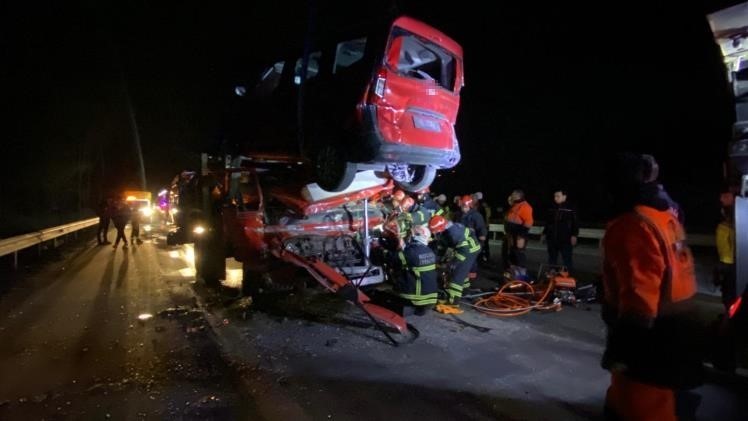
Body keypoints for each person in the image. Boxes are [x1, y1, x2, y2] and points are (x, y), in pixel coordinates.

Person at [601, 152, 704, 420]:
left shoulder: (631, 224)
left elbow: (640, 292)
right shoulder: (663, 215)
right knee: (669, 403)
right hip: (680, 328)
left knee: (640, 407)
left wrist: (623, 347)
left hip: (652, 340)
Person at [428, 215, 481, 309]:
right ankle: (465, 291)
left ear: (441, 228)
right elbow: (446, 246)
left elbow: (464, 250)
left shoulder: (454, 233)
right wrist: (444, 259)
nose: (434, 233)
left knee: (456, 275)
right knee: (462, 272)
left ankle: (453, 302)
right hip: (467, 248)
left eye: (435, 231)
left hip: (469, 250)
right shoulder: (447, 229)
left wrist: (453, 263)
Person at [392, 225, 439, 314]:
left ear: (415, 236)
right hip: (431, 296)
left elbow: (393, 259)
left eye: (410, 234)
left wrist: (380, 249)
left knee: (402, 271)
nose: (409, 236)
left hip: (416, 297)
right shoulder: (430, 251)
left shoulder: (410, 252)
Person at [541, 189, 579, 271]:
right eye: (554, 196)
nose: (555, 198)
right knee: (552, 258)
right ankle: (552, 274)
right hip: (552, 238)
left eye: (558, 196)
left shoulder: (571, 208)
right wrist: (544, 233)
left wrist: (574, 235)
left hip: (565, 238)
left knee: (567, 259)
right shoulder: (552, 208)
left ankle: (567, 275)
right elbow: (548, 223)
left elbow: (575, 223)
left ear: (564, 197)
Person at [714, 190, 736, 310]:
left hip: (727, 263)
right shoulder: (735, 226)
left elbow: (723, 250)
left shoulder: (723, 227)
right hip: (734, 263)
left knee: (728, 295)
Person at [503, 189, 533, 270]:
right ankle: (514, 270)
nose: (511, 196)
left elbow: (528, 222)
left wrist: (521, 235)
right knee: (512, 252)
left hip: (519, 234)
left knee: (519, 252)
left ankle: (521, 270)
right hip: (512, 233)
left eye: (513, 195)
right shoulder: (515, 205)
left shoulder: (525, 206)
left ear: (518, 196)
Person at [458, 194, 487, 278]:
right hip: (464, 241)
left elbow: (481, 228)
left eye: (464, 206)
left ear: (469, 206)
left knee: (471, 258)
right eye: (462, 206)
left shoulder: (476, 215)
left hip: (474, 242)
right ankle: (466, 273)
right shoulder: (461, 215)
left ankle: (472, 274)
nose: (462, 207)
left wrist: (481, 242)